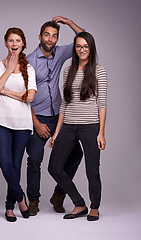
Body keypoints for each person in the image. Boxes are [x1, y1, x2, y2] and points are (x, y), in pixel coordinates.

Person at [26, 16, 84, 216]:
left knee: (76, 154)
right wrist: (37, 124)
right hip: (37, 118)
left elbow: (83, 37)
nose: (50, 39)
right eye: (47, 35)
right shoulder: (29, 61)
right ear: (40, 36)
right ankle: (33, 199)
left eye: (54, 36)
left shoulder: (59, 53)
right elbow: (24, 98)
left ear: (57, 39)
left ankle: (59, 195)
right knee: (35, 158)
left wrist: (68, 22)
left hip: (59, 116)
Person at [48, 32, 107, 221]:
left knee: (92, 171)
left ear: (91, 49)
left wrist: (101, 133)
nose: (82, 50)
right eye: (78, 46)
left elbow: (102, 103)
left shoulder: (99, 71)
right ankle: (79, 204)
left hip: (90, 126)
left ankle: (94, 207)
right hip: (67, 126)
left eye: (86, 46)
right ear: (75, 48)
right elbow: (64, 103)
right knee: (54, 167)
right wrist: (56, 132)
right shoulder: (68, 70)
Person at [0, 27, 37, 222]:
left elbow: (30, 97)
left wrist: (4, 90)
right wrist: (8, 70)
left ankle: (9, 207)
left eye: (18, 41)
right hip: (0, 121)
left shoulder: (29, 69)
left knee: (16, 165)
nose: (14, 44)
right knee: (5, 163)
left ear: (23, 43)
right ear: (6, 43)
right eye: (11, 41)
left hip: (23, 124)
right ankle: (21, 199)